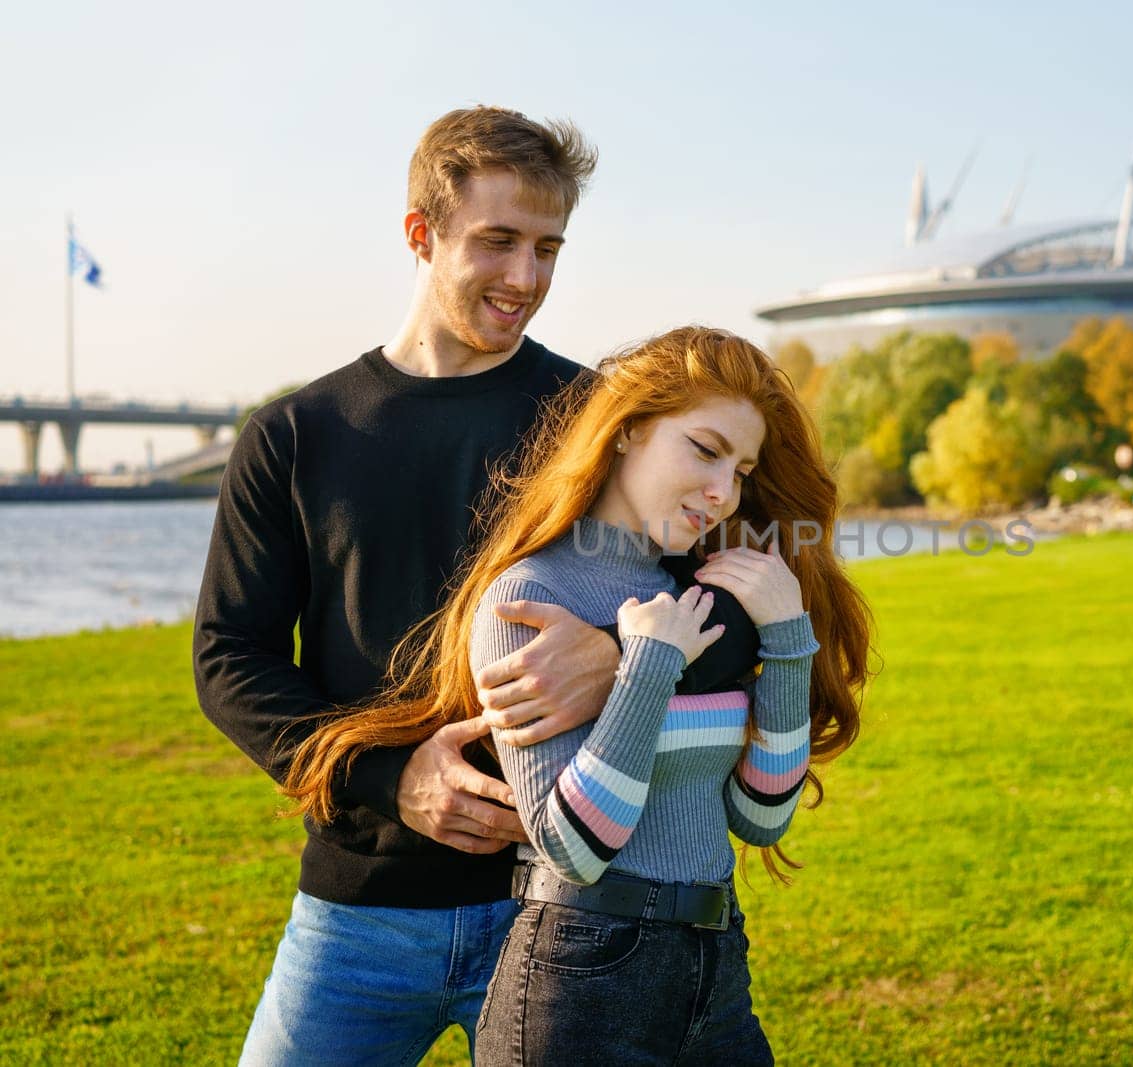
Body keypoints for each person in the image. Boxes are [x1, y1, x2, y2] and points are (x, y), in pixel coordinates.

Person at [285, 326, 874, 1065]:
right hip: (584, 983)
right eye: (704, 448)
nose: (724, 490)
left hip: (718, 971)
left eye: (743, 468)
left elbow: (761, 816)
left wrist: (787, 637)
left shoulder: (696, 592)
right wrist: (646, 667)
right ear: (626, 431)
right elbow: (572, 845)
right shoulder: (529, 596)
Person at [193, 106, 635, 1064]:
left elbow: (734, 592)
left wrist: (621, 654)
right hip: (358, 913)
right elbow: (232, 660)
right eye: (498, 242)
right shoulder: (296, 436)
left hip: (565, 911)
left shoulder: (596, 420)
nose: (527, 279)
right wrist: (394, 779)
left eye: (549, 249)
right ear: (420, 233)